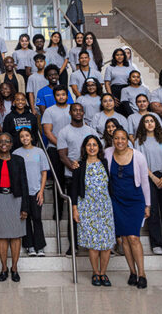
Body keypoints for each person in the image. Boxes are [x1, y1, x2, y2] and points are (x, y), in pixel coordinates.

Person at [106, 129, 150, 289]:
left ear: (127, 140)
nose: (119, 141)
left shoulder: (138, 156)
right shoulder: (107, 153)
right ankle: (132, 272)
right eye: (116, 138)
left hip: (135, 200)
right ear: (113, 140)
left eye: (122, 138)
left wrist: (148, 204)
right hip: (116, 201)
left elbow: (144, 181)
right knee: (124, 238)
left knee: (134, 238)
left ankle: (142, 273)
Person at [0, 133, 29, 282]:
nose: (3, 144)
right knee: (1, 236)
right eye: (0, 141)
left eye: (7, 141)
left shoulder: (18, 160)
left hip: (16, 200)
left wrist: (25, 207)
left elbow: (24, 184)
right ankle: (3, 268)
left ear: (11, 144)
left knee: (16, 236)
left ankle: (14, 268)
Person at [71, 135, 115, 287]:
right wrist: (74, 209)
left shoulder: (105, 163)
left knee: (107, 243)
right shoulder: (79, 166)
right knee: (93, 243)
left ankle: (104, 273)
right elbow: (74, 189)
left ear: (99, 147)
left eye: (94, 145)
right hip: (87, 207)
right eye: (89, 145)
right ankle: (95, 273)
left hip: (105, 207)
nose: (92, 147)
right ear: (85, 148)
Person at [56, 103, 99, 254]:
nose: (78, 112)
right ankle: (73, 245)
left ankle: (91, 242)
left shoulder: (90, 131)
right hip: (72, 177)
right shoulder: (64, 132)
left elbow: (96, 152)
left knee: (91, 212)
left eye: (81, 110)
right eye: (75, 110)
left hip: (90, 177)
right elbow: (62, 155)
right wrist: (75, 169)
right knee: (74, 211)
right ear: (70, 112)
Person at [134, 114, 162, 255]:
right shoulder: (139, 141)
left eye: (152, 121)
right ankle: (156, 243)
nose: (149, 123)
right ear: (142, 124)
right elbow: (140, 162)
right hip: (148, 177)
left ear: (156, 123)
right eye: (146, 121)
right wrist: (152, 177)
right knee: (153, 211)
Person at [13, 128, 48, 256]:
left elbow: (44, 172)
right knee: (25, 219)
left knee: (37, 218)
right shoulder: (16, 153)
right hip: (22, 193)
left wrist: (41, 191)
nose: (25, 138)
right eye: (22, 136)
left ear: (32, 137)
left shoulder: (39, 152)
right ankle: (29, 246)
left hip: (36, 191)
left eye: (27, 135)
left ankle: (40, 246)